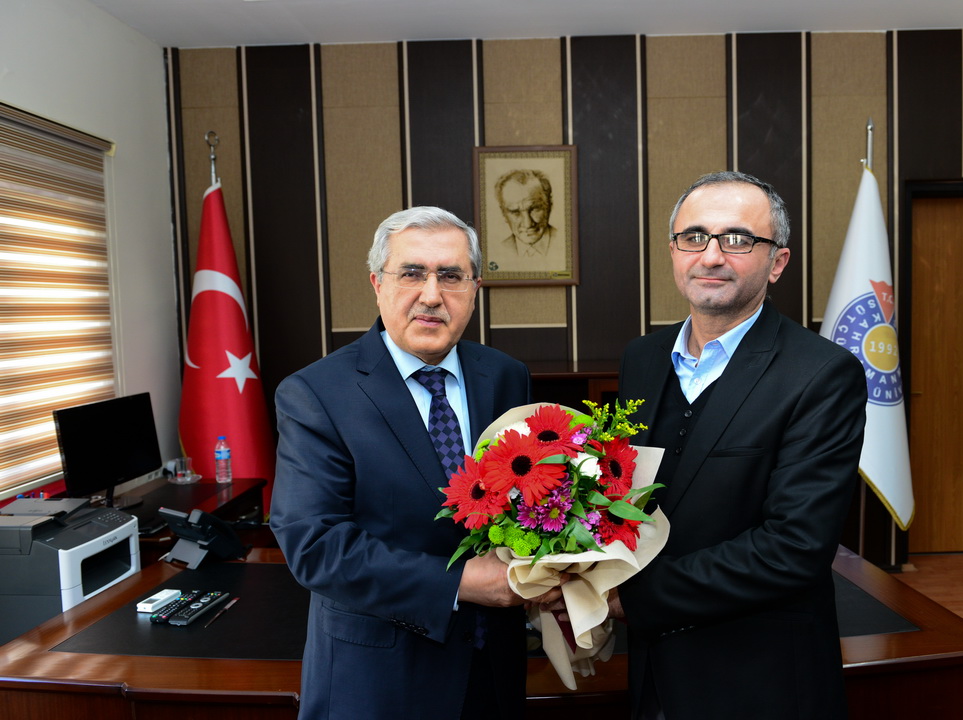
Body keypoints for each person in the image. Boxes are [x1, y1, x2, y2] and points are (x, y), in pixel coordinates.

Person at [270, 206, 559, 719]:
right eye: (411, 273)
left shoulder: (506, 376)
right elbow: (315, 546)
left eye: (451, 276)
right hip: (379, 682)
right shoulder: (316, 393)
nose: (431, 295)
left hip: (493, 673)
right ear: (377, 283)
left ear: (474, 289)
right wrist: (462, 582)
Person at [613, 171, 867, 719]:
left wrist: (628, 598)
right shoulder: (642, 359)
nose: (711, 256)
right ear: (674, 251)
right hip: (652, 671)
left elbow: (794, 548)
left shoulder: (822, 374)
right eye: (693, 237)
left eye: (737, 239)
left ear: (777, 262)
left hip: (759, 677)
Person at [494, 169, 563, 271]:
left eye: (535, 209)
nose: (528, 224)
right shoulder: (496, 250)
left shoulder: (565, 243)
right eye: (515, 212)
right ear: (503, 213)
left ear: (550, 205)